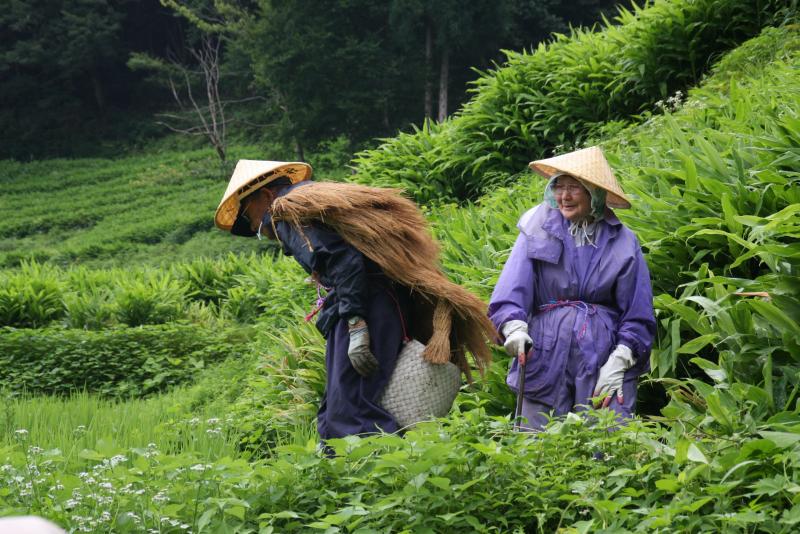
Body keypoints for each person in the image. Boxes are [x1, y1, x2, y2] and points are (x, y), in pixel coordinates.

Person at [215, 160, 495, 441]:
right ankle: (370, 467)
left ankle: (380, 472)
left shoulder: (284, 211)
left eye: (250, 214)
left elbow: (342, 261)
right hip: (378, 301)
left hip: (367, 305)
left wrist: (355, 322)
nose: (256, 226)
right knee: (344, 404)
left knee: (350, 411)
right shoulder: (308, 202)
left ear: (265, 195)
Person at [488, 146, 656, 430]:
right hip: (545, 348)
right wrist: (514, 327)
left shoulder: (623, 242)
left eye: (573, 188)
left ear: (595, 193)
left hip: (602, 353)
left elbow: (637, 310)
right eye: (558, 186)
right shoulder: (537, 227)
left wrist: (622, 357)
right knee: (536, 438)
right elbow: (513, 286)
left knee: (606, 435)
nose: (563, 196)